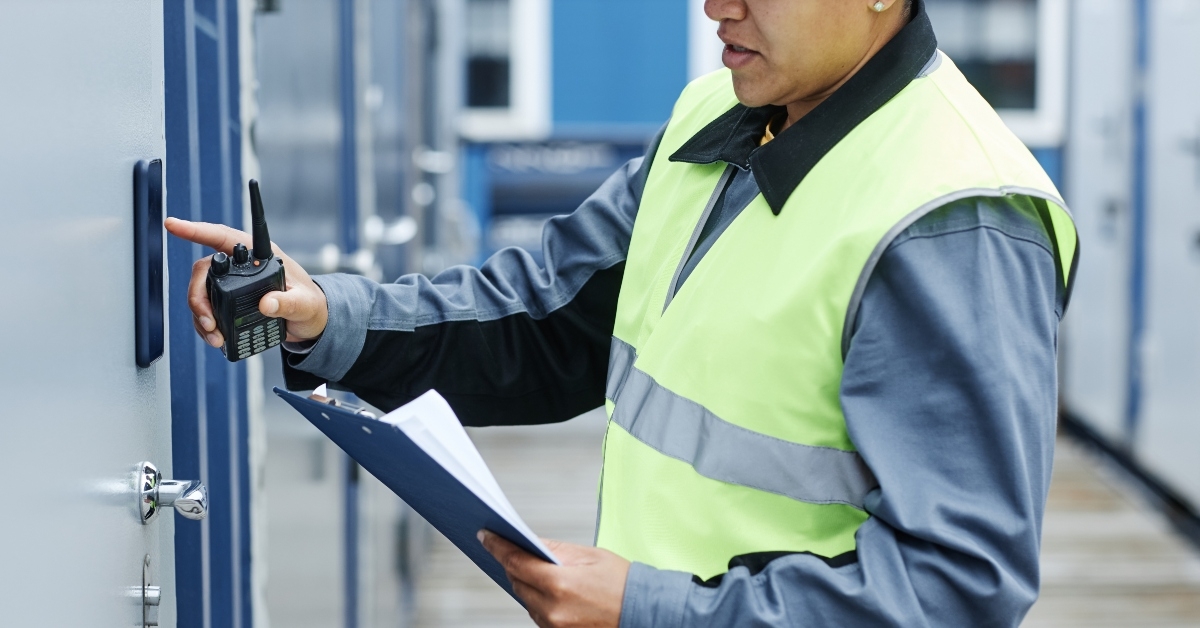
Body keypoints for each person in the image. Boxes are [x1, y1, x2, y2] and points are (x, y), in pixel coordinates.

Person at [167, 0, 1078, 625]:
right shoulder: (715, 116)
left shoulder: (953, 219)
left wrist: (652, 611)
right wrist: (328, 315)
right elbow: (545, 319)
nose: (715, 5)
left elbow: (956, 589)